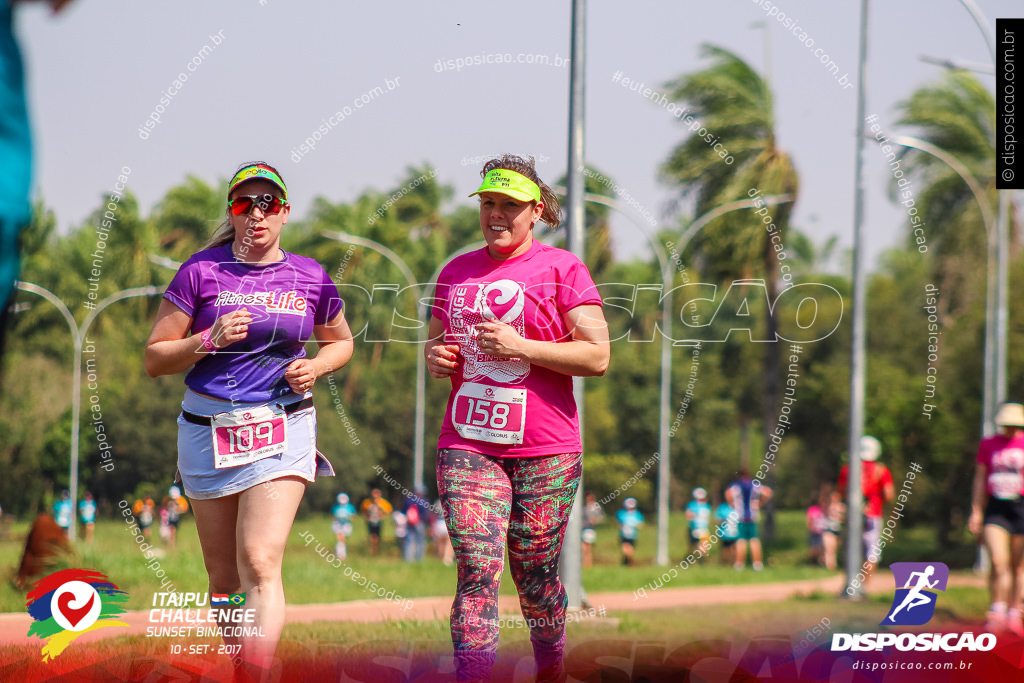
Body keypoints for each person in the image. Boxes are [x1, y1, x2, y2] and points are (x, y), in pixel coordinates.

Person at [144, 161, 354, 676]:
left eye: (268, 204)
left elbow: (341, 341)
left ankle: (256, 673)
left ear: (284, 212)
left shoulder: (310, 275)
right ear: (232, 213)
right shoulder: (201, 271)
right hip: (207, 429)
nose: (256, 214)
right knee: (223, 578)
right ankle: (245, 668)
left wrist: (317, 365)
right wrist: (206, 340)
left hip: (282, 422)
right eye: (244, 204)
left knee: (260, 560)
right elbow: (155, 358)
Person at [426, 155, 609, 682]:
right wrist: (435, 357)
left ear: (537, 211)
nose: (497, 214)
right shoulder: (455, 272)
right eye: (488, 203)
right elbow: (437, 343)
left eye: (510, 205)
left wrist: (521, 347)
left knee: (534, 573)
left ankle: (550, 665)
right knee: (477, 570)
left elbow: (597, 356)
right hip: (467, 443)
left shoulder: (562, 269)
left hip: (547, 448)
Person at [969, 402, 1024, 633]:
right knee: (999, 561)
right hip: (996, 507)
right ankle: (997, 610)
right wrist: (976, 510)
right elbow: (980, 478)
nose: (1009, 429)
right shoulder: (988, 444)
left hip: (1021, 507)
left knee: (1018, 566)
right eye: (1006, 425)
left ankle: (1015, 612)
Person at [837, 435, 894, 585]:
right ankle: (864, 586)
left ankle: (850, 583)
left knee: (852, 548)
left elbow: (841, 492)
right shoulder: (881, 470)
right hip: (873, 514)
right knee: (871, 552)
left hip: (853, 515)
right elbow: (889, 494)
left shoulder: (848, 469)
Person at [727, 468, 771, 571]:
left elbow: (728, 493)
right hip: (752, 516)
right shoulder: (754, 484)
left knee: (740, 541)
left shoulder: (736, 485)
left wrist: (732, 503)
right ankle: (757, 564)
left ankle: (739, 564)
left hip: (740, 516)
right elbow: (768, 492)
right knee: (754, 540)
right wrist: (760, 503)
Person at [361, 488, 392, 556]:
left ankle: (376, 551)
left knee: (378, 537)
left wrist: (383, 515)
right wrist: (367, 517)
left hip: (378, 522)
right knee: (372, 537)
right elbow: (364, 511)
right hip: (370, 522)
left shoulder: (383, 503)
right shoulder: (367, 502)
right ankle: (373, 551)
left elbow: (389, 510)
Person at [402, 487, 429, 562]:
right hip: (419, 522)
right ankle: (419, 559)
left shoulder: (408, 500)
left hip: (409, 523)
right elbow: (425, 513)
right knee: (420, 541)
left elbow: (403, 511)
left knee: (409, 540)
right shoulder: (423, 500)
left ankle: (408, 558)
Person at [617, 497, 644, 567]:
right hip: (624, 535)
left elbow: (641, 524)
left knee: (630, 551)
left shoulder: (637, 514)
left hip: (633, 535)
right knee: (625, 550)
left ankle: (628, 562)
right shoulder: (621, 513)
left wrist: (635, 525)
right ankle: (628, 562)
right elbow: (618, 523)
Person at [685, 487, 711, 557]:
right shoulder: (692, 504)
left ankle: (702, 560)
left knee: (703, 547)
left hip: (704, 529)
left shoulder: (706, 505)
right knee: (692, 546)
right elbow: (688, 516)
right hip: (694, 528)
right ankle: (691, 559)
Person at [581, 491, 605, 568]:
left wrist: (596, 520)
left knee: (586, 547)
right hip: (583, 529)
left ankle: (588, 564)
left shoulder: (596, 508)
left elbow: (602, 518)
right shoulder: (584, 507)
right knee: (584, 548)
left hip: (590, 529)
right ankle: (586, 564)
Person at [715, 493, 739, 566]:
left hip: (736, 533)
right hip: (725, 533)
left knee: (735, 549)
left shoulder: (738, 507)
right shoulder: (723, 507)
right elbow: (718, 519)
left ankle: (734, 563)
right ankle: (724, 564)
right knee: (725, 549)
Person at [331, 493, 355, 562]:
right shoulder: (335, 507)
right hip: (338, 524)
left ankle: (341, 553)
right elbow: (332, 516)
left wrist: (347, 517)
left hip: (346, 525)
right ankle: (341, 555)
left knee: (343, 540)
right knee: (340, 538)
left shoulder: (350, 507)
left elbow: (353, 516)